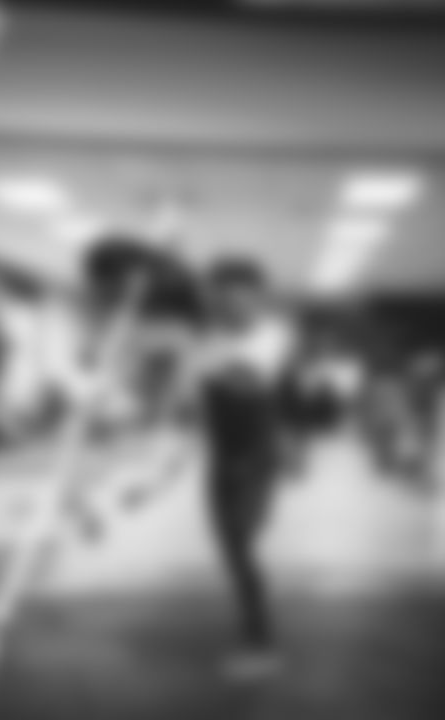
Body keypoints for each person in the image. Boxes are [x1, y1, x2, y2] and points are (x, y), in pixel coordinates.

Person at [177, 257, 302, 680]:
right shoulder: (206, 341)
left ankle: (259, 640)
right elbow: (192, 398)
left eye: (238, 298)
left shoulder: (275, 336)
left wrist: (207, 365)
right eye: (220, 299)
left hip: (258, 453)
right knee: (230, 545)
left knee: (241, 538)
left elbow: (254, 384)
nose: (229, 307)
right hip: (221, 453)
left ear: (257, 298)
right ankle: (254, 629)